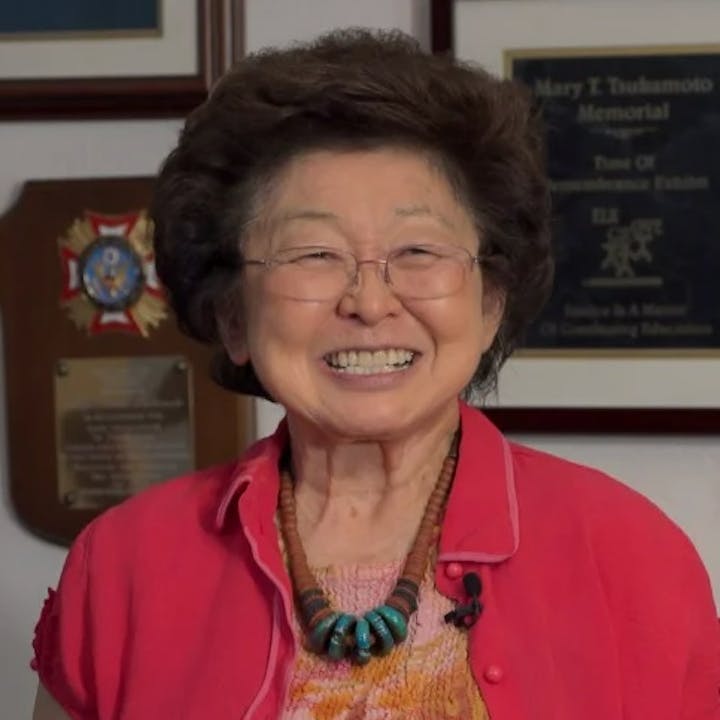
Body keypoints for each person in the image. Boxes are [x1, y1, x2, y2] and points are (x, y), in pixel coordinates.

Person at [32, 29, 719, 720]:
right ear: (234, 316)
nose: (368, 301)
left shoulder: (631, 557)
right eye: (313, 254)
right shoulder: (120, 568)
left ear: (489, 304)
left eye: (417, 250)